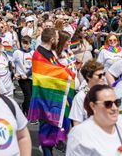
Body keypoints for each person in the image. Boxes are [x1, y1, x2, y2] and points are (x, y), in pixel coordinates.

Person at [66, 85, 122, 156]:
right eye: (108, 104)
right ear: (93, 106)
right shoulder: (80, 134)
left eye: (117, 102)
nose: (114, 108)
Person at [28, 28, 75, 156]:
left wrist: (64, 70)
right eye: (57, 38)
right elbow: (44, 76)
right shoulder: (38, 54)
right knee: (46, 129)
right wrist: (67, 73)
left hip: (55, 97)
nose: (59, 40)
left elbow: (57, 68)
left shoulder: (51, 52)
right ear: (52, 39)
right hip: (44, 99)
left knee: (55, 127)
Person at [69, 60, 105, 126]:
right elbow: (77, 125)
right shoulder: (80, 97)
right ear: (88, 76)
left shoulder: (106, 94)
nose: (103, 78)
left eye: (103, 74)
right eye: (99, 75)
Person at [13, 36, 33, 115]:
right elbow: (12, 63)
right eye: (23, 43)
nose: (25, 45)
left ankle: (24, 106)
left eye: (27, 44)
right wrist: (14, 73)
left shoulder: (33, 53)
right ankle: (28, 113)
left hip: (30, 77)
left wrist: (27, 74)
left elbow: (34, 66)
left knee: (30, 95)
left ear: (30, 44)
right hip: (21, 78)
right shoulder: (17, 52)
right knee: (27, 94)